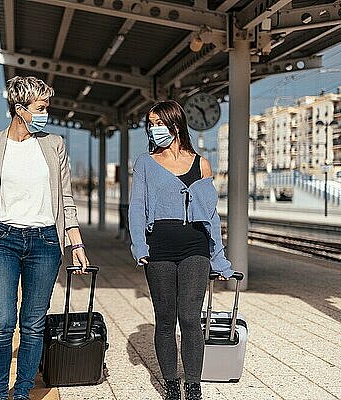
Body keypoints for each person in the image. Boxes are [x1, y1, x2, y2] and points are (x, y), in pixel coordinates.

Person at [0, 76, 89, 400]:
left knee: (32, 323)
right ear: (20, 109)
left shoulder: (53, 144)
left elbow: (66, 199)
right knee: (2, 321)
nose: (46, 113)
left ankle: (22, 392)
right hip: (1, 240)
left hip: (45, 242)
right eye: (41, 107)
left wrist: (76, 244)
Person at [128, 100, 234, 400]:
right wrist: (140, 246)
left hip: (194, 247)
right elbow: (137, 208)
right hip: (158, 248)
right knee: (165, 319)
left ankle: (193, 385)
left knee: (189, 317)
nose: (153, 129)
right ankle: (172, 384)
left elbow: (211, 216)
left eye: (159, 123)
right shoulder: (145, 162)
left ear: (175, 125)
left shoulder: (201, 164)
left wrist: (220, 260)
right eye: (150, 123)